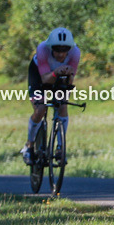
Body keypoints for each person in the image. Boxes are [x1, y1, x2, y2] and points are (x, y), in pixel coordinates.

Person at [21, 27, 80, 165]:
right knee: (40, 109)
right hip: (39, 75)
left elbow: (70, 83)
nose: (60, 54)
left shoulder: (75, 53)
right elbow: (44, 79)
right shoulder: (42, 49)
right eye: (57, 50)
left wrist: (68, 75)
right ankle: (29, 146)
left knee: (63, 106)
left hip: (59, 76)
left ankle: (60, 148)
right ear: (50, 47)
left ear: (69, 49)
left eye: (64, 50)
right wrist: (56, 73)